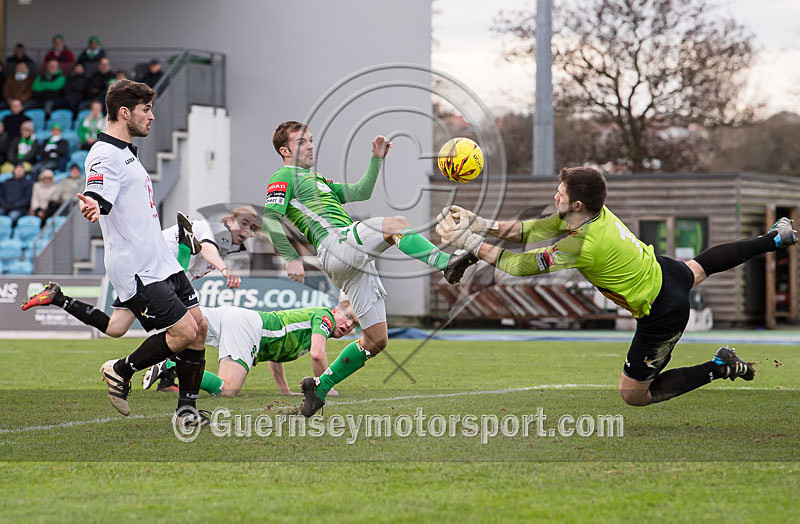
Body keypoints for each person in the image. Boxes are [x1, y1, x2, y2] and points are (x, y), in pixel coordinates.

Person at [435, 166, 798, 407]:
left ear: (576, 203)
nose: (555, 196)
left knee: (634, 395)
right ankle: (776, 239)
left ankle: (720, 366)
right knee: (700, 265)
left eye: (559, 192)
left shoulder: (581, 242)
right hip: (662, 271)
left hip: (662, 308)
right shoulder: (591, 214)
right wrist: (480, 223)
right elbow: (530, 230)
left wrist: (469, 242)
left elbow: (517, 264)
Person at [263, 121, 477, 417]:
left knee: (376, 340)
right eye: (303, 142)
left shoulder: (319, 180)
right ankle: (445, 263)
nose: (311, 145)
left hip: (350, 260)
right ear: (285, 151)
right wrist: (291, 256)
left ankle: (318, 390)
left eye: (311, 140)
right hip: (336, 244)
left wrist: (376, 159)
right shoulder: (283, 175)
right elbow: (270, 219)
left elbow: (361, 192)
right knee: (397, 225)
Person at [72, 79, 209, 426]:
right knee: (183, 334)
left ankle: (187, 411)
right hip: (136, 267)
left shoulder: (126, 153)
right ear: (124, 112)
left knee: (199, 327)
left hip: (159, 260)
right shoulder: (104, 154)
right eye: (145, 110)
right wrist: (94, 207)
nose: (152, 116)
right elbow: (99, 196)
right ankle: (121, 369)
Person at [144, 301, 357, 397]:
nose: (348, 325)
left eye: (354, 324)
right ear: (335, 310)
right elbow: (318, 354)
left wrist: (284, 390)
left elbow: (276, 354)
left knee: (182, 325)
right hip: (247, 326)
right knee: (227, 390)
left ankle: (124, 367)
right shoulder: (325, 317)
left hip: (239, 317)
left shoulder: (310, 326)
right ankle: (170, 365)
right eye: (348, 317)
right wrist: (326, 386)